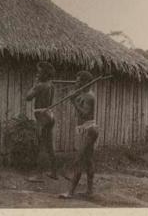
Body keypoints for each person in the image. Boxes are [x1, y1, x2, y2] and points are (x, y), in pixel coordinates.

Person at [60, 71, 99, 199]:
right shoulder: (83, 93)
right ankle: (90, 191)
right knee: (88, 161)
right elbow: (79, 100)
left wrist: (73, 102)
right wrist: (75, 95)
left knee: (79, 160)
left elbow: (84, 114)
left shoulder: (89, 96)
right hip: (86, 130)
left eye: (78, 81)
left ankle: (70, 192)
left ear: (85, 83)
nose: (76, 83)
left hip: (89, 130)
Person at [25, 61, 58, 180]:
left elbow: (28, 97)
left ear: (44, 73)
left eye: (39, 72)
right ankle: (54, 172)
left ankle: (39, 175)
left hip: (42, 117)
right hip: (49, 115)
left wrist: (34, 84)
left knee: (42, 146)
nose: (37, 74)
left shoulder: (40, 85)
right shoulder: (51, 84)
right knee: (49, 146)